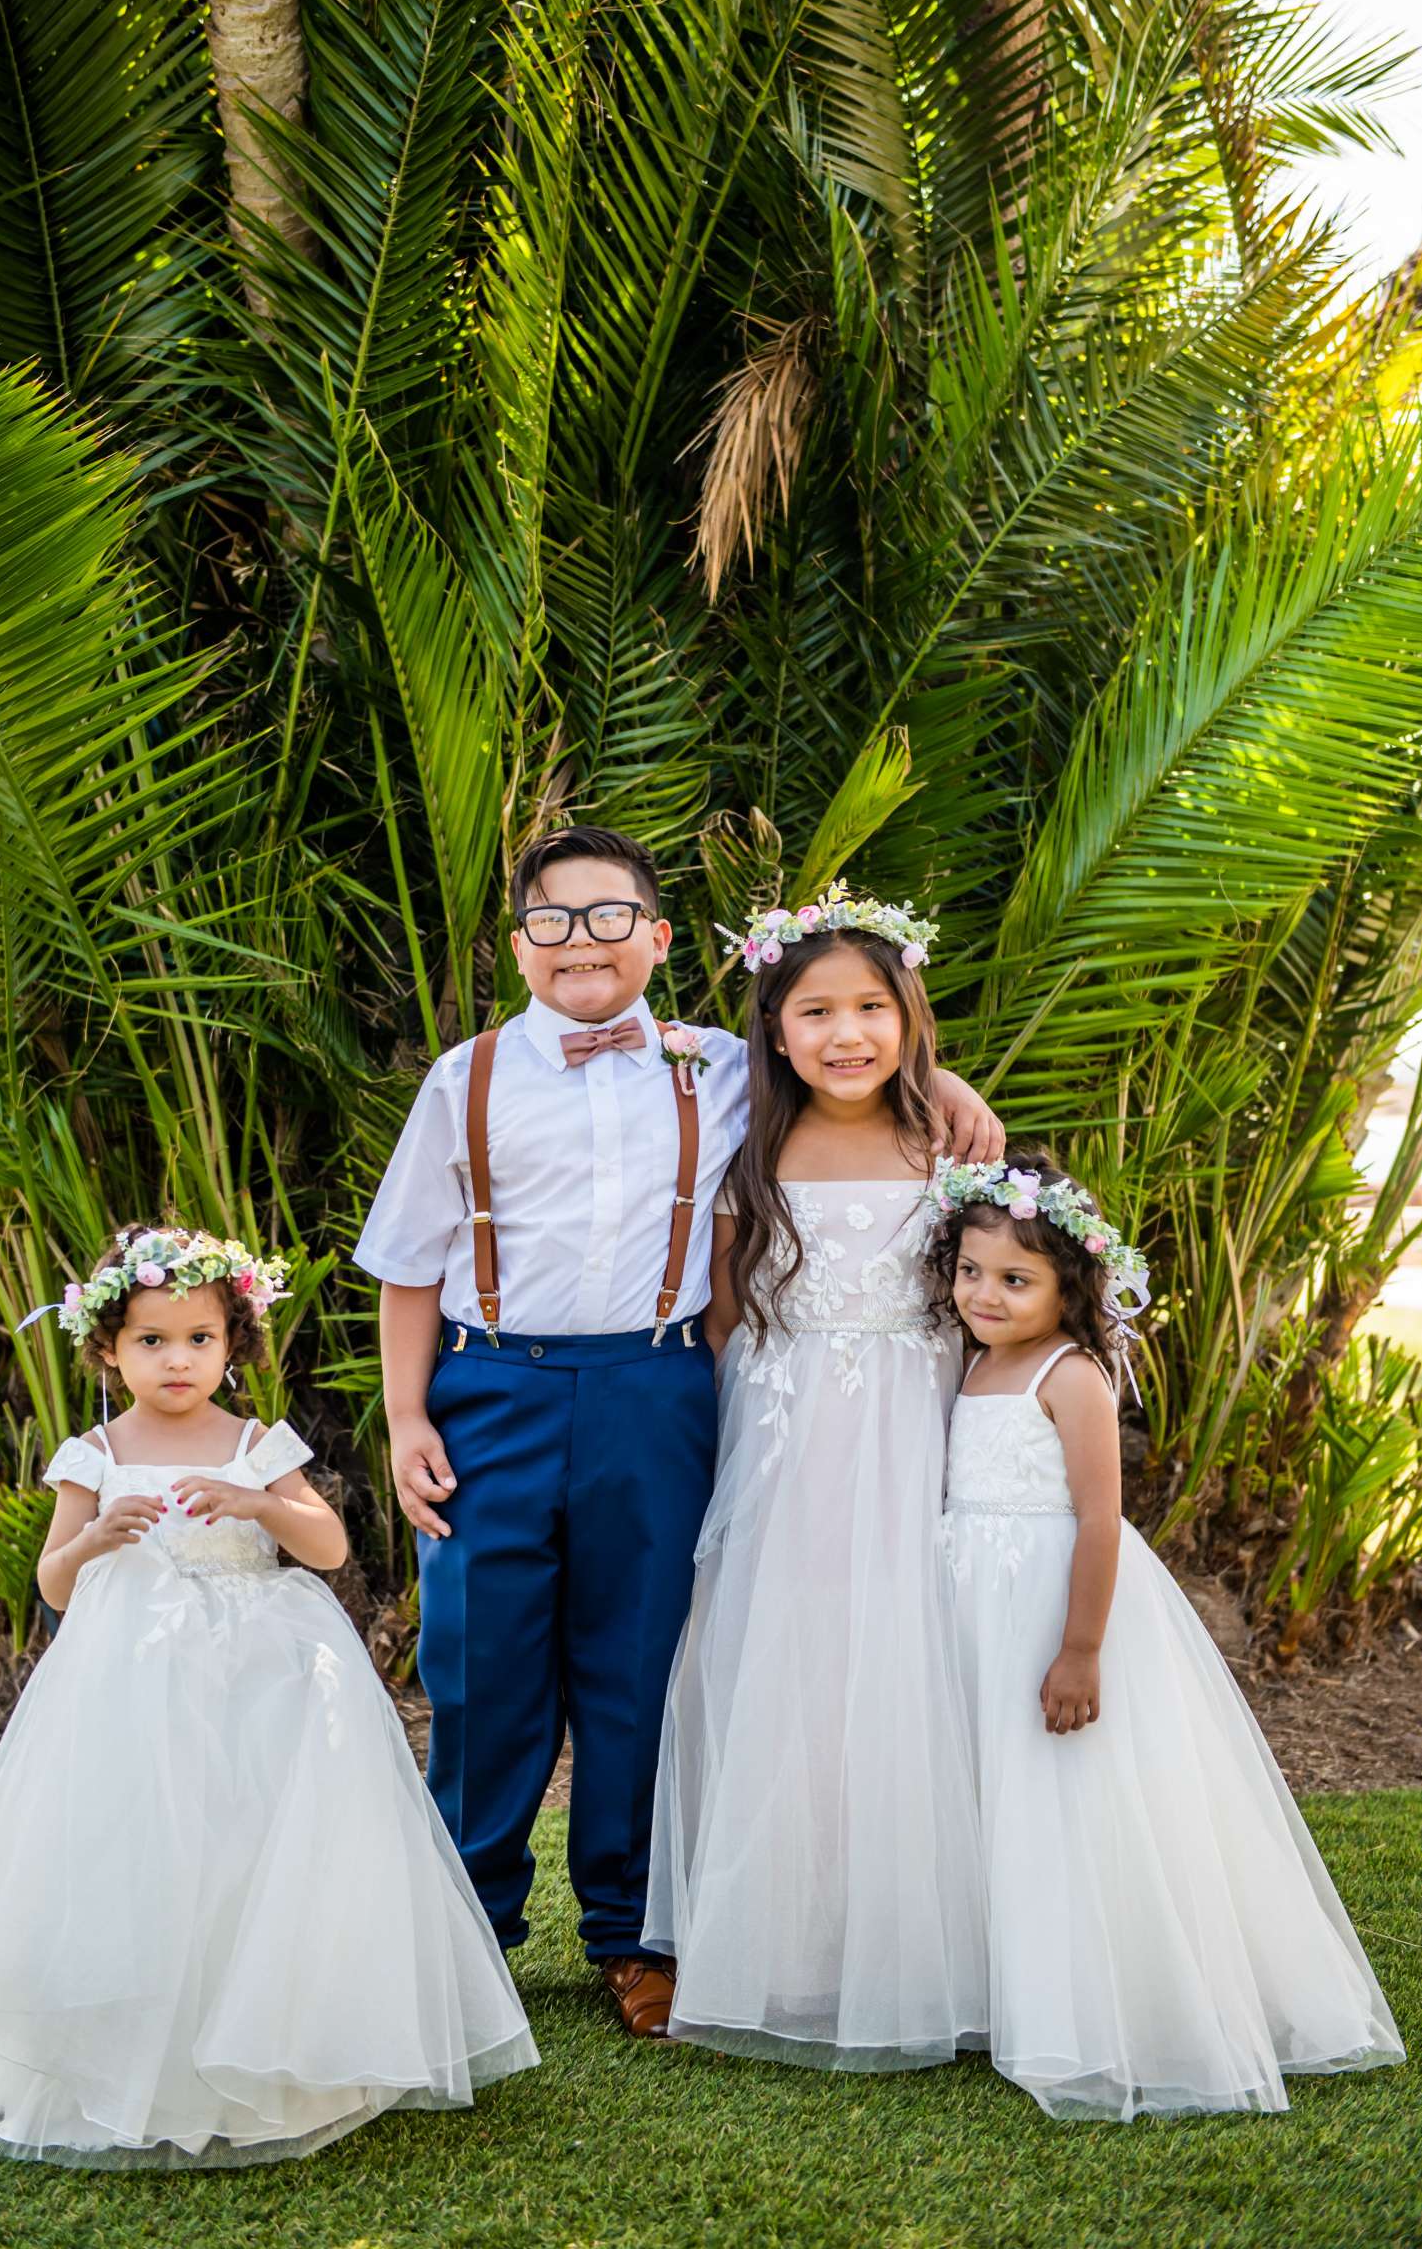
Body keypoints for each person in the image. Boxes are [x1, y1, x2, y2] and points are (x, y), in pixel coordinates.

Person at [355, 829, 1003, 2039]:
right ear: (517, 946)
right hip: (488, 1386)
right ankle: (468, 1928)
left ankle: (628, 1933)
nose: (581, 945)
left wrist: (946, 1080)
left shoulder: (716, 1065)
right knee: (477, 1661)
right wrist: (403, 1416)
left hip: (655, 1391)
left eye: (611, 920)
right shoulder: (468, 1076)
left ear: (656, 939)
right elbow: (405, 1263)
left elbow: (846, 1053)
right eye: (552, 922)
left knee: (638, 1659)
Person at [0, 1226, 536, 2167]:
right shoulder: (90, 1453)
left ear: (231, 1345)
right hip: (129, 1679)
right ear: (107, 1350)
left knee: (254, 1848)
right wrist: (94, 1540)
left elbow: (325, 1548)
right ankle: (131, 2057)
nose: (176, 1360)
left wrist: (258, 1504)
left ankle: (274, 2058)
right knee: (143, 1847)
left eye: (199, 1339)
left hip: (258, 1673)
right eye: (151, 1341)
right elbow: (54, 1586)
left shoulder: (254, 1443)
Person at [929, 1157, 1406, 2120]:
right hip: (971, 1593)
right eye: (970, 1271)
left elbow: (1100, 1523)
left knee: (1061, 1795)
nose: (985, 1294)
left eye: (1015, 1280)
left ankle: (1094, 1999)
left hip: (1053, 1603)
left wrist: (1079, 1650)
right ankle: (992, 1981)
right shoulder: (972, 1358)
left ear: (1072, 1289)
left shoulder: (1071, 1378)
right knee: (989, 1790)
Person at [644, 885, 989, 2066]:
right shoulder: (750, 1143)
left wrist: (950, 1086)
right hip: (787, 1434)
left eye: (871, 1007)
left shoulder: (942, 1140)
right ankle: (787, 1940)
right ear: (772, 1029)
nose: (846, 1034)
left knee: (910, 1656)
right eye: (814, 1012)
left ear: (909, 1013)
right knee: (785, 1656)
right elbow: (727, 1309)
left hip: (915, 1422)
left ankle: (926, 1937)